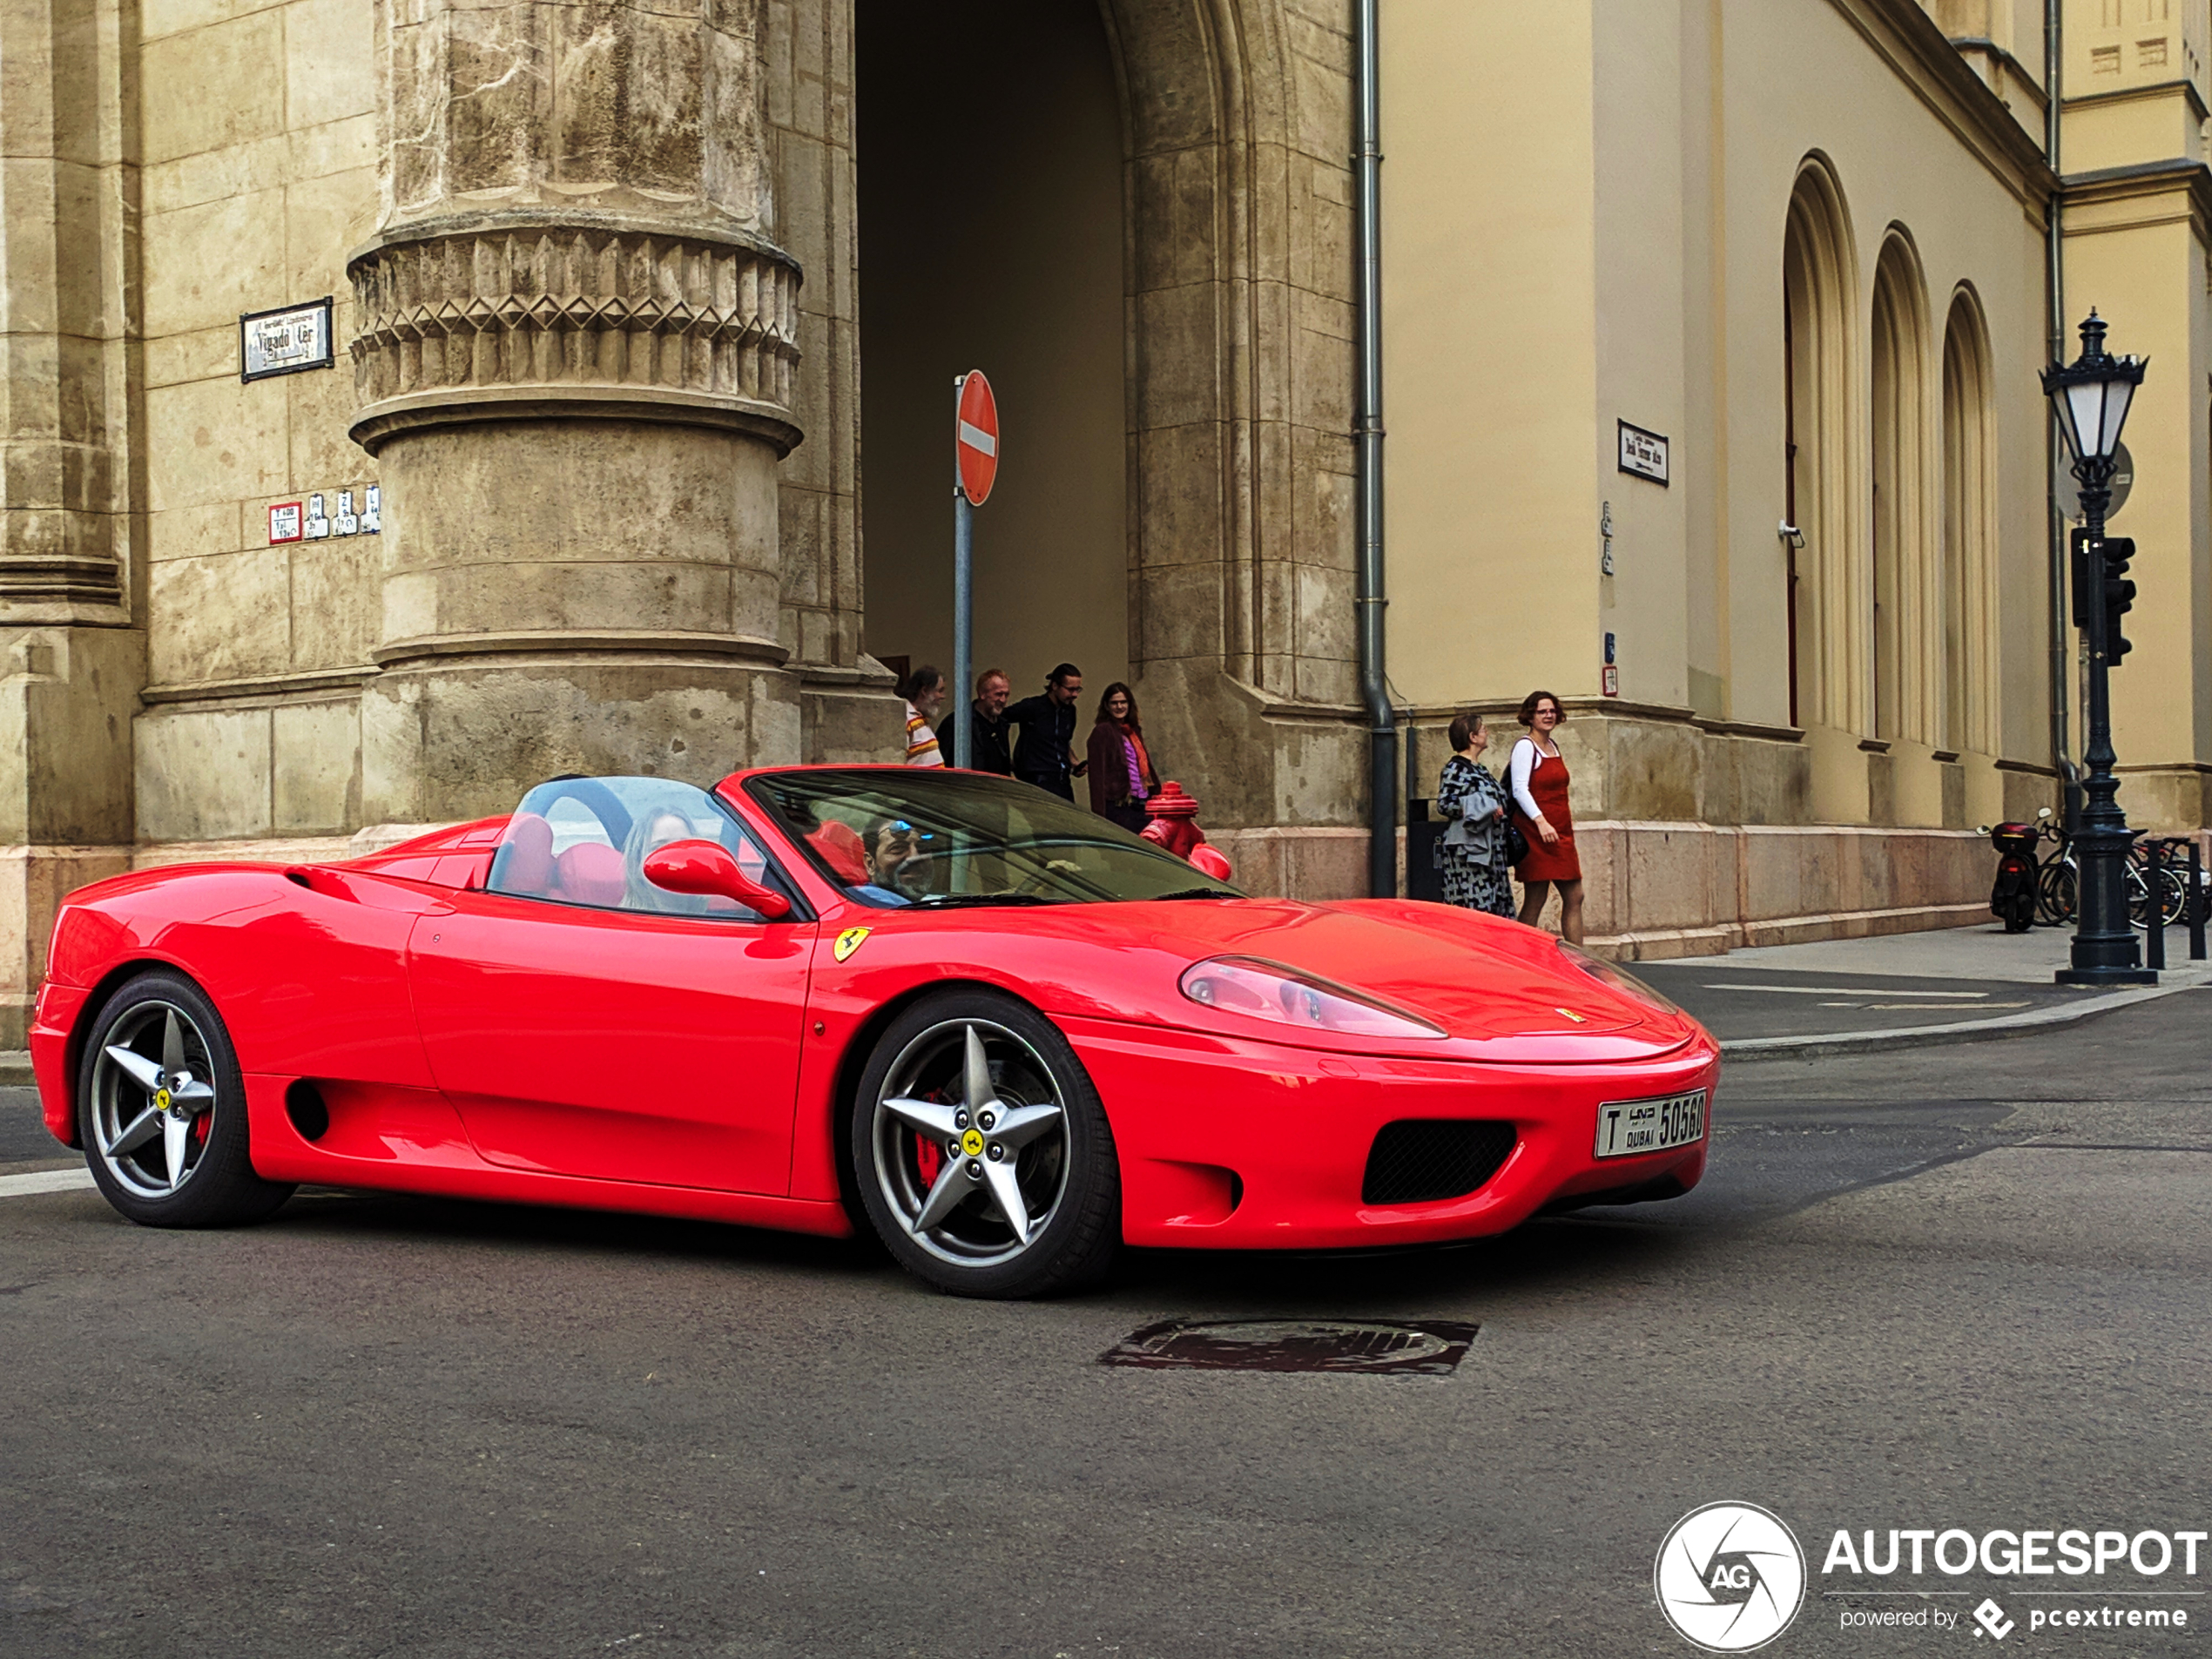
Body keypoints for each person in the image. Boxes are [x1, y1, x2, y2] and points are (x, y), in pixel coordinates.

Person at [1507, 689, 1584, 943]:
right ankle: (1522, 955)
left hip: (1561, 831)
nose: (1548, 715)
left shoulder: (1552, 745)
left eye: (1552, 710)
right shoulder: (1525, 747)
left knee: (1574, 896)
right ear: (1530, 716)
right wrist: (1540, 821)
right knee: (1536, 897)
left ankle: (1577, 962)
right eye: (1542, 711)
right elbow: (1519, 789)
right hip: (1537, 832)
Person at [1435, 711, 1514, 918]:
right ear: (1472, 737)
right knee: (1476, 910)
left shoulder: (1480, 769)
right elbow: (1445, 804)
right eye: (1483, 729)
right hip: (1470, 854)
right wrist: (1483, 808)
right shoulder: (1456, 769)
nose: (1486, 733)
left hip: (1492, 852)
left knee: (1497, 910)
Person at [1005, 663, 1089, 800]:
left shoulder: (1070, 711)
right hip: (1037, 780)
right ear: (1055, 686)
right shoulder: (1032, 707)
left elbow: (1063, 742)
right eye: (1070, 689)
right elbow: (1000, 718)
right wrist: (1006, 759)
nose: (1075, 695)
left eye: (1078, 689)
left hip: (1062, 780)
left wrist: (1074, 763)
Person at [1085, 682, 1157, 833]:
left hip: (1142, 804)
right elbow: (1097, 776)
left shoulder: (1133, 731)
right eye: (1114, 703)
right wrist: (1099, 816)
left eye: (1123, 702)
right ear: (1106, 706)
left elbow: (1145, 767)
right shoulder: (1102, 731)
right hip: (1119, 807)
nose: (1119, 707)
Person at [623, 808, 707, 914]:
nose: (675, 856)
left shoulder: (720, 918)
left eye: (685, 845)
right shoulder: (626, 926)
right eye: (659, 848)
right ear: (637, 862)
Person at [935, 666, 1014, 775]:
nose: (1003, 700)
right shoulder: (957, 723)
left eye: (1006, 694)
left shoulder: (1002, 724)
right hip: (967, 787)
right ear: (982, 694)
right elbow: (940, 761)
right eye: (998, 694)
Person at [900, 665, 946, 766]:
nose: (943, 696)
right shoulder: (905, 719)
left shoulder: (921, 719)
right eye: (940, 691)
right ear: (924, 691)